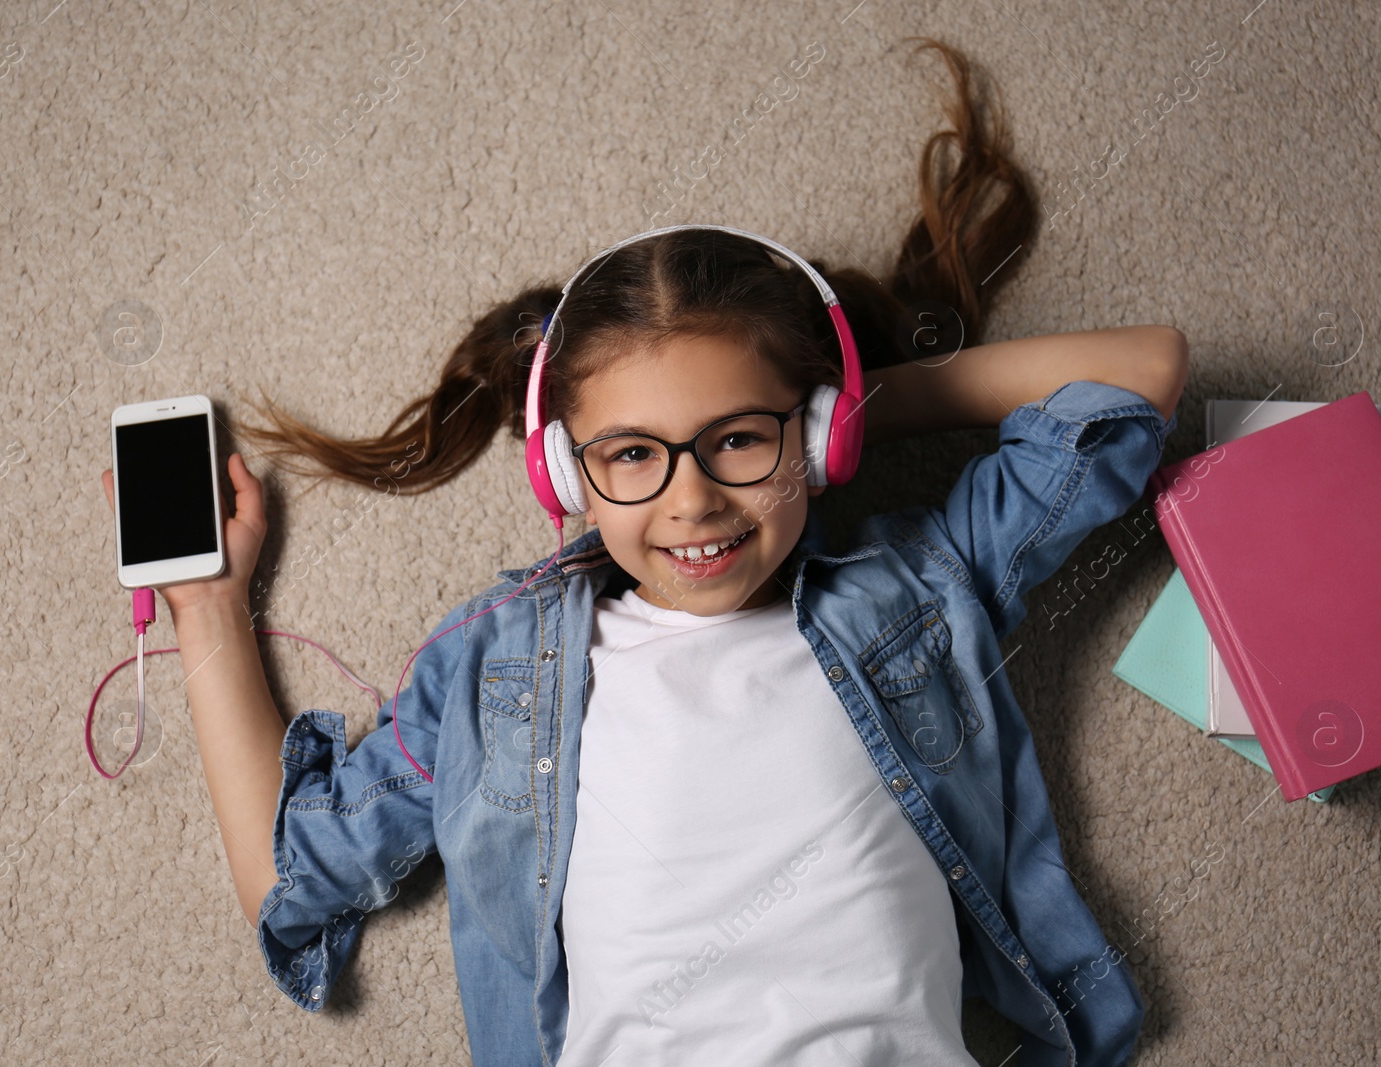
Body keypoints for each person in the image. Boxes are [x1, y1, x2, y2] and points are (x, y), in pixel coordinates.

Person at [99, 37, 1187, 1067]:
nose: (693, 499)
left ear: (813, 434)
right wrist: (206, 607)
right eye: (630, 454)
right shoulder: (496, 671)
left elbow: (1139, 377)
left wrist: (851, 409)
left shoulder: (912, 592)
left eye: (741, 438)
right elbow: (295, 876)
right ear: (567, 476)